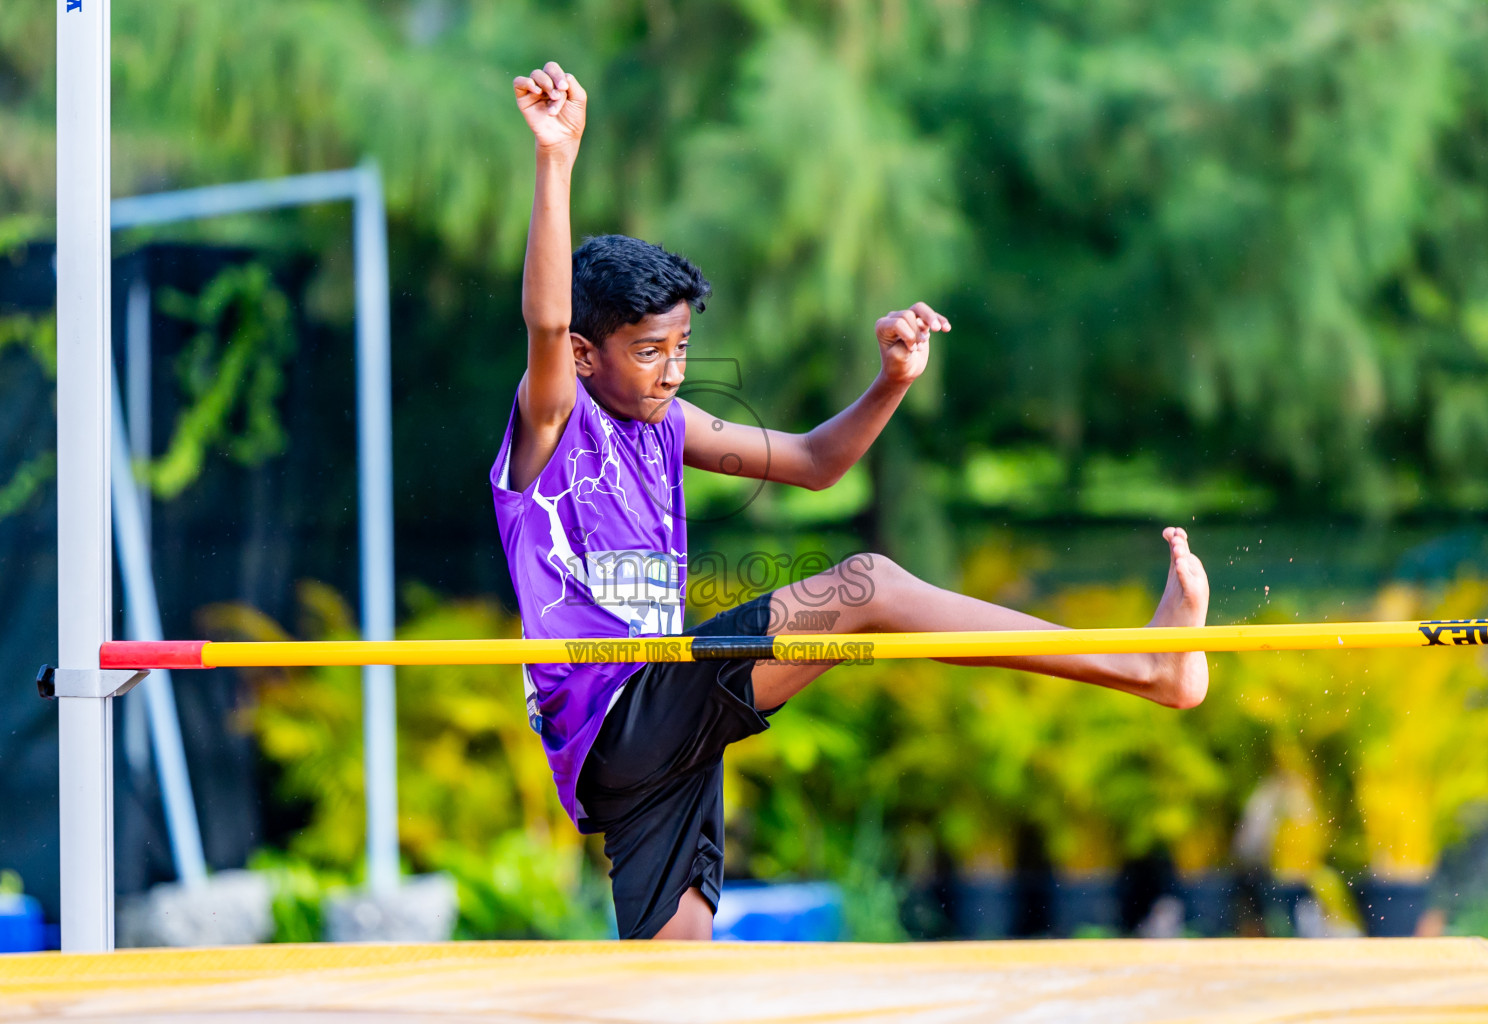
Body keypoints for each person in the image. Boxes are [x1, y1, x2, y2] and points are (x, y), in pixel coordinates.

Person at [491, 60, 1210, 941]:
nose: (673, 369)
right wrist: (556, 160)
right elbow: (544, 319)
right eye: (649, 351)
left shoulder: (671, 424)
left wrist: (890, 381)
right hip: (620, 717)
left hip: (663, 741)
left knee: (671, 975)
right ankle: (1144, 666)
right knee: (865, 585)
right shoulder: (554, 422)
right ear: (586, 354)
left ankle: (1152, 668)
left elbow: (818, 463)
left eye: (682, 346)